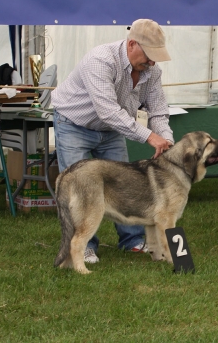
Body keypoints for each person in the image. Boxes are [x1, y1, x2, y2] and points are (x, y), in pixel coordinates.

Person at [51, 19, 174, 263]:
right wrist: (149, 136)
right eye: (149, 55)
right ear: (131, 45)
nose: (152, 62)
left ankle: (132, 241)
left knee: (125, 185)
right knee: (80, 189)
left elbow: (158, 110)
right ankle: (84, 246)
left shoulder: (152, 71)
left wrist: (167, 141)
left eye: (156, 57)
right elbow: (107, 110)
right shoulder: (100, 60)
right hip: (74, 125)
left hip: (112, 130)